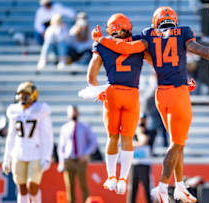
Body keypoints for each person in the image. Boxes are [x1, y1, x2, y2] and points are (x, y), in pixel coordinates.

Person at [92, 6, 209, 202]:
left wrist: (102, 40)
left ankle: (179, 186)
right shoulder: (183, 32)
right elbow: (201, 50)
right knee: (177, 143)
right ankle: (162, 187)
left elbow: (128, 49)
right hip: (177, 92)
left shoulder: (148, 35)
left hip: (161, 93)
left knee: (178, 143)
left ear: (155, 22)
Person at [87, 13, 147, 195]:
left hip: (113, 93)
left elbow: (91, 76)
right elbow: (155, 61)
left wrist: (98, 91)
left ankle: (112, 176)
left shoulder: (103, 44)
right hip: (132, 94)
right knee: (127, 138)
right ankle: (122, 178)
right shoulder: (139, 41)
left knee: (112, 136)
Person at [2, 81, 54, 203]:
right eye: (20, 94)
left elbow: (47, 136)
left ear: (33, 96)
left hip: (35, 153)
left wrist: (46, 156)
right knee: (22, 188)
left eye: (25, 94)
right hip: (19, 153)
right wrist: (6, 158)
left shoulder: (41, 110)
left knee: (32, 187)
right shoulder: (14, 111)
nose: (22, 97)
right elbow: (11, 136)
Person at [57, 105, 98, 203]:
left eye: (75, 111)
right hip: (69, 160)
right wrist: (62, 162)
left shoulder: (85, 127)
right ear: (68, 114)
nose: (73, 114)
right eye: (72, 112)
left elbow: (93, 142)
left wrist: (86, 154)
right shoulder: (64, 128)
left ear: (78, 113)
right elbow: (61, 147)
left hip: (80, 160)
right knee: (69, 187)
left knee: (83, 186)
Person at [127, 123, 152, 203]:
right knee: (133, 189)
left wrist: (139, 134)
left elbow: (143, 141)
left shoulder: (148, 134)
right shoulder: (132, 135)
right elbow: (128, 145)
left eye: (142, 126)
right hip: (134, 165)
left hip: (145, 166)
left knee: (147, 188)